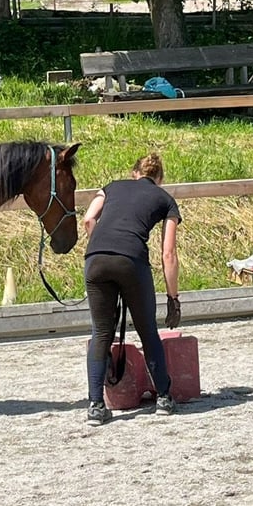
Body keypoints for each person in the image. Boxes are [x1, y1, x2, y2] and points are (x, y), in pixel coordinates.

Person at [82, 153, 182, 426]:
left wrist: (104, 247)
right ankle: (163, 397)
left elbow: (89, 219)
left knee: (101, 332)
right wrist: (173, 298)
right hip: (131, 259)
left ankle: (95, 406)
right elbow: (168, 254)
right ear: (159, 178)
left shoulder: (112, 186)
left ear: (134, 172)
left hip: (96, 259)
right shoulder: (165, 199)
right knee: (147, 329)